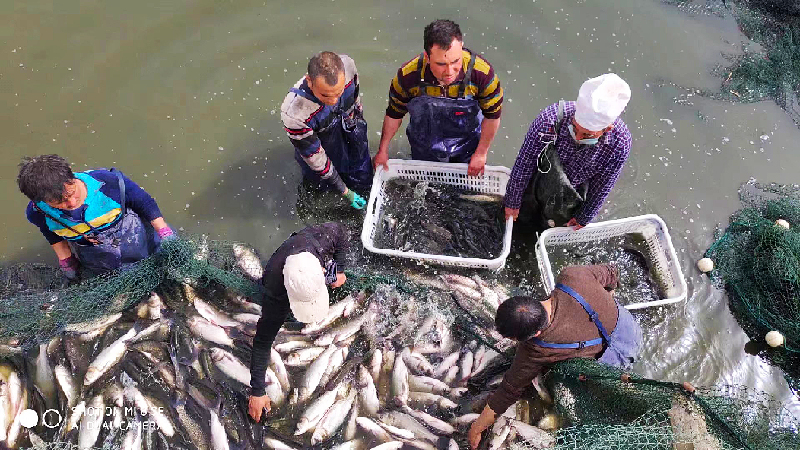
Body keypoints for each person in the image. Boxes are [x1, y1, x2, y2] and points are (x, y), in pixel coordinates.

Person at [467, 264, 642, 449]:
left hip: (616, 359)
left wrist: (477, 428)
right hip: (631, 328)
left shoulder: (535, 351)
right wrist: (606, 296)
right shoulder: (572, 276)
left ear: (533, 335)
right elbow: (611, 272)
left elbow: (508, 391)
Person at [373, 19, 503, 176]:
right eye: (441, 64)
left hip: (467, 145)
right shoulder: (408, 76)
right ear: (427, 57)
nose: (449, 71)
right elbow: (394, 113)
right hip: (423, 145)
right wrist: (383, 150)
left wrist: (481, 153)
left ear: (461, 48)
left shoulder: (482, 74)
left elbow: (492, 116)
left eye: (455, 61)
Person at [248, 222, 349, 422]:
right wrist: (257, 392)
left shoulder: (322, 238)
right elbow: (262, 342)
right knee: (270, 318)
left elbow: (341, 231)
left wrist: (339, 269)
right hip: (280, 272)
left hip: (305, 248)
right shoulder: (276, 291)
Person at [504, 74, 632, 232]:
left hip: (573, 193)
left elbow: (603, 184)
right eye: (575, 128)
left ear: (607, 129)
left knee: (551, 228)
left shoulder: (620, 143)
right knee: (521, 221)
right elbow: (524, 164)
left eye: (587, 135)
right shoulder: (549, 120)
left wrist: (584, 216)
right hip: (538, 181)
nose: (577, 138)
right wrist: (512, 202)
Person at [17, 154, 176, 280]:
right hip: (94, 252)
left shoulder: (108, 182)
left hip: (132, 232)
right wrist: (66, 260)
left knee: (161, 261)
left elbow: (144, 202)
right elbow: (52, 234)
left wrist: (163, 232)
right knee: (114, 279)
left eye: (72, 194)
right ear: (39, 199)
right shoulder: (37, 212)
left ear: (71, 177)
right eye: (58, 202)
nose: (72, 203)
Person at [281, 51, 372, 210]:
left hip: (345, 122)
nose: (333, 101)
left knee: (363, 176)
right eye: (325, 95)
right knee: (324, 186)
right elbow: (316, 158)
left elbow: (356, 101)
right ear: (309, 81)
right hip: (320, 142)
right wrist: (345, 191)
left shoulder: (348, 66)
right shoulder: (295, 113)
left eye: (339, 93)